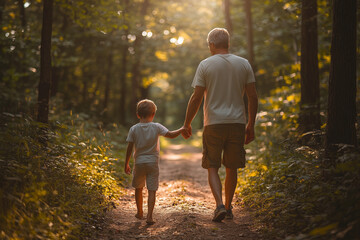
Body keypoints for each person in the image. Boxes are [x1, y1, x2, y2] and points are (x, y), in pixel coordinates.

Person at [182, 28, 258, 222]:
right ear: (228, 43)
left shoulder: (205, 65)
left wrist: (187, 123)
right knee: (232, 167)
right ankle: (229, 206)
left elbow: (196, 97)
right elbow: (252, 96)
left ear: (212, 45)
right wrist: (251, 124)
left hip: (213, 123)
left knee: (212, 166)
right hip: (237, 123)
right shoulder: (244, 64)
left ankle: (219, 206)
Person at [124, 99, 185, 225]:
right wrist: (182, 129)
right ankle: (149, 216)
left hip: (139, 163)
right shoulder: (156, 127)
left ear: (138, 114)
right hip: (153, 163)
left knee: (138, 188)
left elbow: (129, 147)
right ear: (153, 114)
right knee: (152, 189)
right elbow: (171, 135)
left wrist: (127, 163)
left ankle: (139, 212)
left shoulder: (133, 129)